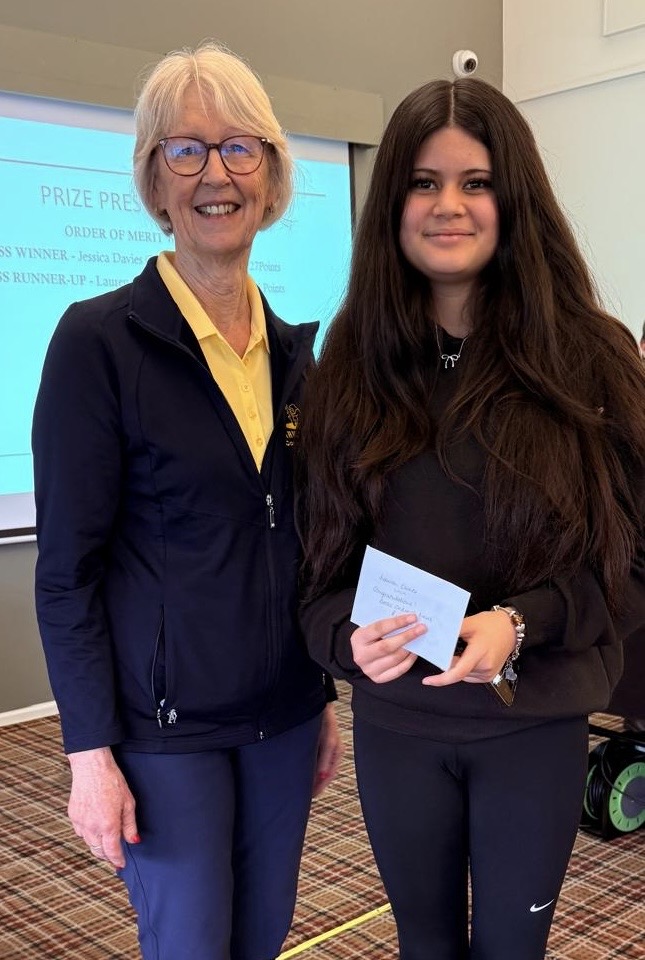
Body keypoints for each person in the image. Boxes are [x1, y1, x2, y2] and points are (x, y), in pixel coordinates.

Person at [296, 77, 645, 960]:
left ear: (513, 196)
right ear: (393, 204)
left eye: (475, 181)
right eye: (422, 182)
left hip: (532, 727)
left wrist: (521, 623)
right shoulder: (349, 369)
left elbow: (632, 565)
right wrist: (346, 641)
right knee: (424, 944)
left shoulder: (592, 360)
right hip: (397, 728)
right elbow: (317, 574)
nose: (447, 205)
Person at [32, 41, 342, 960]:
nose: (216, 173)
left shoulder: (293, 355)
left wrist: (320, 692)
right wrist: (89, 753)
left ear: (271, 175)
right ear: (155, 180)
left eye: (240, 147)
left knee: (263, 936)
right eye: (186, 149)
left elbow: (299, 545)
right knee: (193, 945)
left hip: (283, 715)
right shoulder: (97, 343)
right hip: (163, 736)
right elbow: (67, 573)